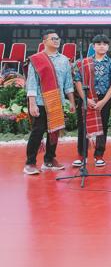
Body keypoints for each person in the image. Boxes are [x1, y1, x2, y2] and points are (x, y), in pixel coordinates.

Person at [23, 30, 76, 175]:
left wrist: (71, 102)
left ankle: (49, 160)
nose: (57, 40)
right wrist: (32, 103)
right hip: (40, 101)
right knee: (38, 132)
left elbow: (68, 83)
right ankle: (30, 163)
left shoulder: (64, 60)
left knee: (54, 131)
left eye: (58, 38)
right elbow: (32, 83)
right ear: (44, 41)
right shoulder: (36, 59)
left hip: (57, 101)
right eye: (53, 38)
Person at [72, 34, 111, 168]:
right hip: (86, 98)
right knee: (83, 127)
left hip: (103, 99)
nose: (101, 46)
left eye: (104, 44)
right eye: (98, 44)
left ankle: (99, 155)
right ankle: (82, 156)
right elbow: (78, 81)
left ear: (108, 47)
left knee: (102, 127)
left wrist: (103, 101)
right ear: (93, 46)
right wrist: (85, 99)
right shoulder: (84, 62)